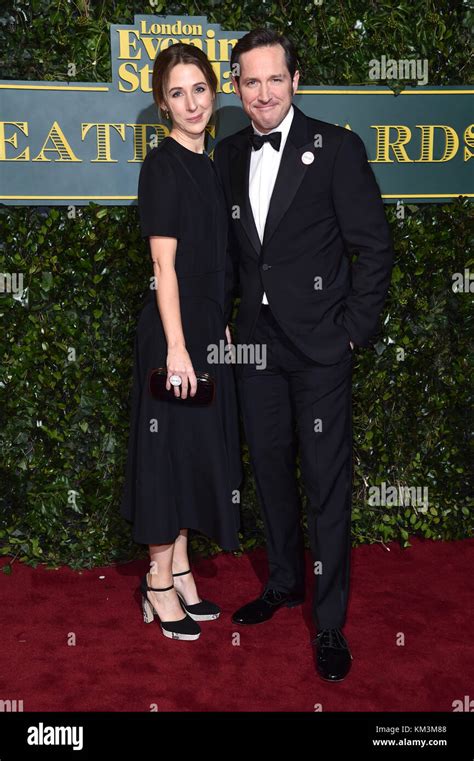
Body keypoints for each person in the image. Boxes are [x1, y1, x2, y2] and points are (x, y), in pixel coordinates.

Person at [214, 29, 393, 679]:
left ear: (296, 81)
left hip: (321, 349)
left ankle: (330, 620)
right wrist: (228, 319)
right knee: (268, 470)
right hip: (257, 349)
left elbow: (373, 247)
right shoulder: (229, 155)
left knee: (325, 483)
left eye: (274, 79)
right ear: (237, 85)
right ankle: (285, 580)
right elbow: (233, 252)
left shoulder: (338, 149)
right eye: (249, 81)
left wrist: (352, 332)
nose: (262, 93)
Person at [120, 42, 243, 642]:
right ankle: (157, 582)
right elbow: (165, 267)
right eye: (177, 92)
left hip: (205, 329)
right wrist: (176, 348)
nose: (191, 103)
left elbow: (217, 260)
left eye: (199, 89)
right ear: (162, 103)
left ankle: (185, 571)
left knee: (194, 450)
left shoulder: (213, 164)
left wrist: (217, 322)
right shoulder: (162, 165)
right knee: (166, 453)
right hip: (172, 335)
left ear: (214, 94)